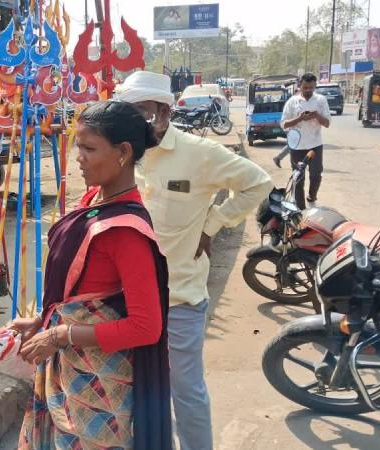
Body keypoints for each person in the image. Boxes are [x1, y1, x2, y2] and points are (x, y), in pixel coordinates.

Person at [117, 71, 272, 450]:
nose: (136, 121)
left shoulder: (199, 153)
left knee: (186, 394)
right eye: (129, 113)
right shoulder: (123, 154)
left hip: (179, 299)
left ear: (164, 112)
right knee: (137, 392)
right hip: (126, 302)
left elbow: (258, 183)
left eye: (143, 112)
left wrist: (213, 223)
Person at [11, 101, 172, 449]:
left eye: (89, 148)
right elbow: (80, 291)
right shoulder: (92, 202)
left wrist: (60, 335)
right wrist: (43, 322)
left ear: (123, 152)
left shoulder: (125, 232)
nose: (78, 157)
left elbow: (146, 327)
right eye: (77, 147)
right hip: (68, 365)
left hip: (97, 385)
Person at [280, 72, 331, 209]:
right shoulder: (292, 102)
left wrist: (316, 115)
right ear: (300, 86)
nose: (308, 90)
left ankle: (312, 196)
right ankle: (301, 209)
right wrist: (300, 118)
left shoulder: (320, 100)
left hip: (315, 145)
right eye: (305, 87)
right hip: (296, 146)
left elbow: (327, 123)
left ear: (315, 86)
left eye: (311, 88)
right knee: (298, 178)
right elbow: (283, 124)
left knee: (316, 175)